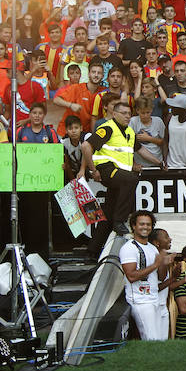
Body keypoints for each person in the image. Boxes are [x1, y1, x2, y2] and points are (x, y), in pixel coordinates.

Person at [78, 102, 162, 257]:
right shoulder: (107, 128)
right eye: (123, 113)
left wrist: (159, 163)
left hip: (119, 174)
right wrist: (93, 170)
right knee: (131, 180)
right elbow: (85, 146)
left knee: (109, 210)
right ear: (114, 114)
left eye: (129, 114)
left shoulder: (129, 131)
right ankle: (120, 220)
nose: (127, 116)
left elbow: (141, 150)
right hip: (107, 169)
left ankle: (93, 249)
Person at [118, 210, 170, 340]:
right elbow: (131, 276)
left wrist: (164, 263)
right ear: (134, 226)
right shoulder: (129, 248)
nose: (145, 227)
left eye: (148, 224)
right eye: (141, 224)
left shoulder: (152, 248)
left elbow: (160, 277)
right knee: (152, 339)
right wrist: (155, 265)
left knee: (161, 340)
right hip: (140, 300)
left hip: (154, 298)